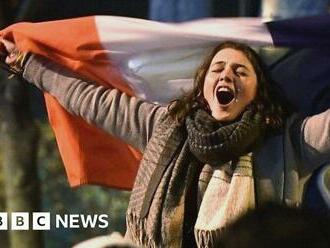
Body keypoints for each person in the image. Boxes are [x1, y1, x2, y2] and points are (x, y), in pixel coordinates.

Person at [1, 39, 329, 247]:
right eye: (218, 68)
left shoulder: (289, 142)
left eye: (241, 72)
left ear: (258, 93)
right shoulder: (163, 126)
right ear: (203, 87)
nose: (227, 75)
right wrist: (26, 63)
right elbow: (90, 99)